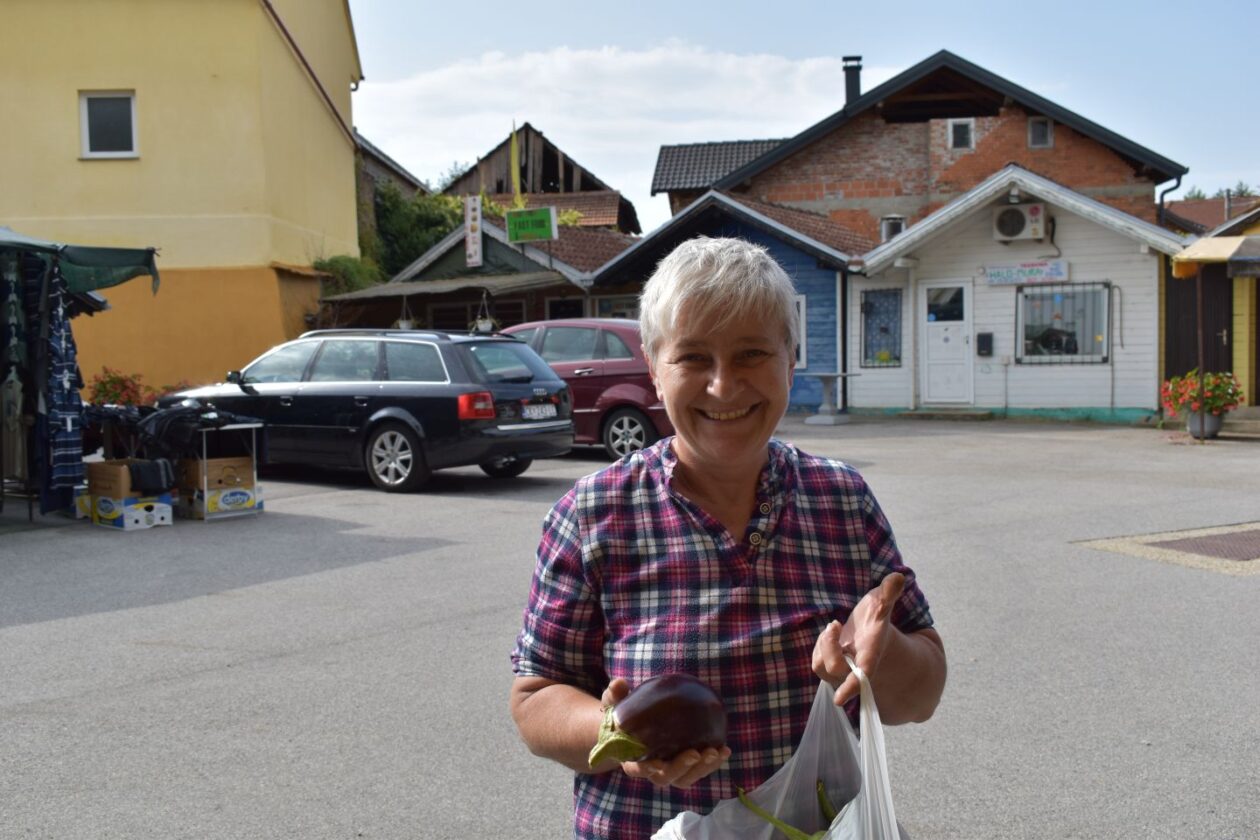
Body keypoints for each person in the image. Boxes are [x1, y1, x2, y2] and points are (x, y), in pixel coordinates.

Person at [510, 236, 946, 840]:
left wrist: (882, 651)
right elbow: (534, 700)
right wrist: (616, 732)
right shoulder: (591, 514)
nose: (722, 385)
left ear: (790, 359)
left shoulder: (842, 501)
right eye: (692, 357)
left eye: (751, 353)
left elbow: (919, 697)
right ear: (654, 370)